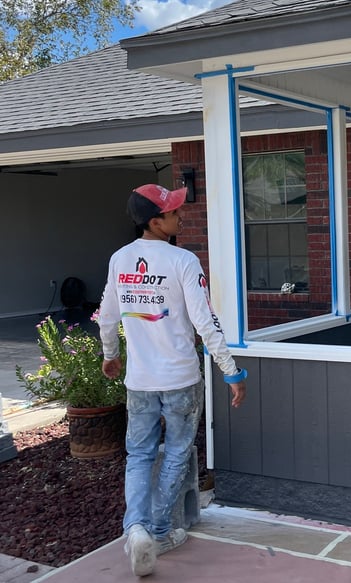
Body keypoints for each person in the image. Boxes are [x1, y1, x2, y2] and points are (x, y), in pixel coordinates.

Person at [98, 183, 247, 577]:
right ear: (154, 221)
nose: (181, 216)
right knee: (177, 452)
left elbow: (107, 315)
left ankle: (135, 529)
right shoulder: (183, 260)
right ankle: (160, 531)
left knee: (139, 455)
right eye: (173, 212)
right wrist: (231, 372)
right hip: (180, 378)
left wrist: (110, 356)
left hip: (140, 381)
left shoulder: (119, 260)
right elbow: (206, 322)